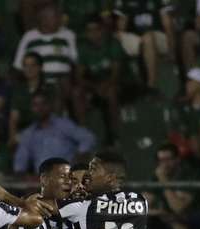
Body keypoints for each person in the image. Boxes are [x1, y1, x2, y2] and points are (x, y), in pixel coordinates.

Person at [13, 91, 97, 175]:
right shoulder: (28, 133)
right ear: (31, 108)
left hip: (66, 177)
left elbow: (88, 138)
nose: (40, 108)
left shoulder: (63, 125)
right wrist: (19, 173)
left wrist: (79, 156)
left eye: (43, 104)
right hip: (41, 181)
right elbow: (20, 161)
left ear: (49, 105)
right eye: (35, 105)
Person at [74, 15, 124, 145]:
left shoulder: (113, 43)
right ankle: (83, 134)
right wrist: (94, 87)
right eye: (89, 30)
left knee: (111, 92)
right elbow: (79, 76)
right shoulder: (83, 48)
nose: (93, 33)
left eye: (97, 29)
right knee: (77, 92)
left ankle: (114, 133)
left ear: (103, 29)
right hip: (94, 84)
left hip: (116, 82)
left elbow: (116, 73)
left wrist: (104, 86)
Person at [147, 143, 200, 229]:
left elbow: (178, 207)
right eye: (161, 160)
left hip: (195, 217)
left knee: (177, 222)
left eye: (168, 160)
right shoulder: (156, 177)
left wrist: (163, 179)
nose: (165, 164)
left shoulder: (188, 175)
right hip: (168, 216)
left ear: (177, 159)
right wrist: (158, 212)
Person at [113, 0, 176, 93]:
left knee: (148, 37)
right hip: (137, 38)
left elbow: (168, 25)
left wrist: (172, 51)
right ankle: (120, 86)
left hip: (159, 37)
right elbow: (121, 27)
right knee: (117, 35)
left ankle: (151, 86)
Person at [13, 5, 77, 85]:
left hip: (62, 86)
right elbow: (18, 65)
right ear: (43, 19)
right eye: (55, 17)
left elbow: (75, 62)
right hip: (38, 86)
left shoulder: (69, 35)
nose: (60, 20)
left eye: (59, 16)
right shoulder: (29, 36)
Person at [8, 52, 56, 147]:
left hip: (46, 130)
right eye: (25, 65)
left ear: (40, 67)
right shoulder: (19, 90)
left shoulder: (49, 88)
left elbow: (54, 115)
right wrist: (12, 137)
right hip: (25, 131)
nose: (29, 69)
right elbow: (13, 118)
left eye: (33, 65)